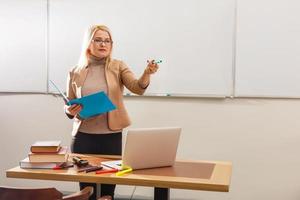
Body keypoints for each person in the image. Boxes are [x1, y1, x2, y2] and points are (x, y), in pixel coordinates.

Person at [64, 25, 159, 200]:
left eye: (107, 41)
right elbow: (69, 103)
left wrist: (147, 73)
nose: (103, 44)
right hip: (83, 137)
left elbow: (137, 88)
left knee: (107, 192)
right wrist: (69, 110)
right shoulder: (75, 71)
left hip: (110, 136)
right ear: (88, 43)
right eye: (98, 40)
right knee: (87, 191)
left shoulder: (118, 66)